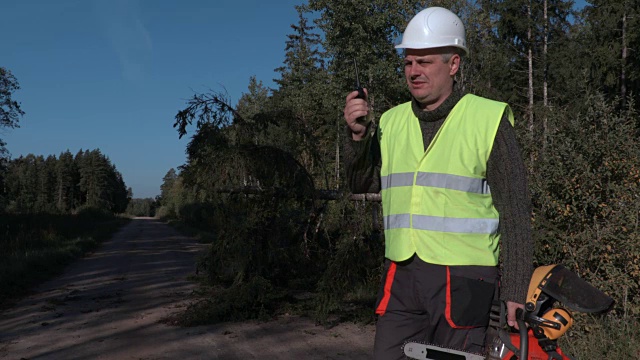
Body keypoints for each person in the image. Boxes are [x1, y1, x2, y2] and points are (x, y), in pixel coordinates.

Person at [342, 7, 533, 360]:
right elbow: (360, 181)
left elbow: (517, 212)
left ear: (454, 64)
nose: (413, 71)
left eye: (425, 62)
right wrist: (357, 137)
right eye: (408, 63)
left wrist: (517, 289)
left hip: (465, 280)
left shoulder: (487, 119)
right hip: (401, 274)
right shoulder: (390, 121)